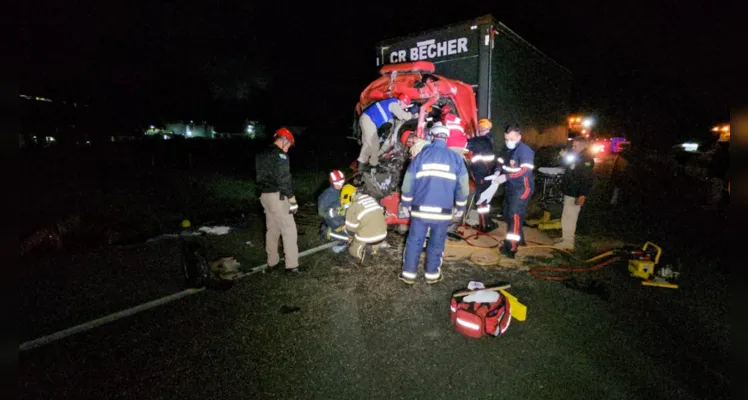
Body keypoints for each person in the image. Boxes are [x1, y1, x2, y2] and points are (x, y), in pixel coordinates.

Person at [399, 123, 469, 284]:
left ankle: (408, 276)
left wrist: (406, 204)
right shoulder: (456, 159)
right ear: (446, 138)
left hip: (420, 210)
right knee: (437, 243)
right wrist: (460, 207)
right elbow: (463, 187)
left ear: (432, 136)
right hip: (442, 213)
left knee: (414, 242)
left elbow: (407, 183)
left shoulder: (421, 156)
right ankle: (432, 276)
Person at [255, 127, 300, 273]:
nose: (288, 149)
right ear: (284, 140)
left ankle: (272, 262)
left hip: (264, 196)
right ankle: (292, 266)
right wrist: (292, 198)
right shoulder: (280, 156)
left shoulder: (261, 154)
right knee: (289, 229)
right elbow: (283, 179)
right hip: (277, 197)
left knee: (272, 230)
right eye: (288, 145)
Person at [496, 124, 534, 259]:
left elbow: (525, 171)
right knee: (507, 213)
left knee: (515, 215)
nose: (508, 142)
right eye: (506, 139)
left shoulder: (525, 151)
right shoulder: (506, 149)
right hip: (511, 187)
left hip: (522, 188)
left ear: (519, 137)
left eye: (512, 139)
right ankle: (520, 239)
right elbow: (500, 162)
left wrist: (505, 177)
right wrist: (496, 173)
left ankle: (511, 247)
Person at [357, 95, 416, 174]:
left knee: (367, 144)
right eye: (405, 105)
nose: (404, 108)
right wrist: (413, 116)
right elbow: (403, 115)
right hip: (368, 120)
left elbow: (394, 121)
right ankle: (370, 165)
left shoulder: (389, 106)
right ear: (403, 102)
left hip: (367, 119)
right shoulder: (394, 104)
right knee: (373, 143)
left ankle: (363, 164)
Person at [555, 137, 595, 250]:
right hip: (570, 191)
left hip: (575, 193)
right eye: (572, 145)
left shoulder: (586, 159)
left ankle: (568, 242)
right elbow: (568, 167)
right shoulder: (577, 157)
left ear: (583, 146)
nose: (573, 148)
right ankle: (565, 238)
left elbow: (587, 179)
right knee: (566, 216)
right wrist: (563, 157)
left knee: (570, 217)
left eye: (575, 146)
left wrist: (582, 194)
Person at [466, 118, 498, 232]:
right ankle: (488, 222)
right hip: (489, 173)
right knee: (486, 200)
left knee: (481, 200)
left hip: (481, 174)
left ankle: (484, 226)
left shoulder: (479, 141)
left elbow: (465, 145)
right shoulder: (490, 140)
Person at [344, 187, 388, 262]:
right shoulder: (371, 199)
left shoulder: (353, 206)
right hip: (383, 235)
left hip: (367, 238)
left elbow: (351, 229)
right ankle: (375, 247)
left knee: (352, 251)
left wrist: (351, 238)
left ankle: (362, 252)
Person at [318, 170, 350, 251]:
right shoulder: (327, 196)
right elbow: (321, 212)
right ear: (332, 182)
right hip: (334, 222)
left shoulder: (343, 190)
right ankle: (327, 232)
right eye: (337, 183)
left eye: (342, 182)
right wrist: (337, 212)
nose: (340, 185)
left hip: (344, 219)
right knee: (350, 238)